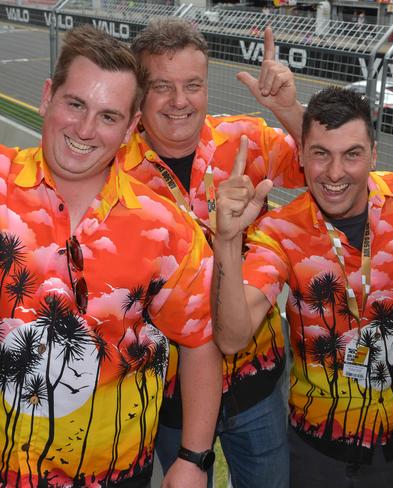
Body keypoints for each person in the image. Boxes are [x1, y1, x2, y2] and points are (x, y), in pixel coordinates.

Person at [212, 86, 393, 487]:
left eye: (352, 154)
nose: (334, 173)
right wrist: (226, 242)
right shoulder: (279, 232)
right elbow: (232, 336)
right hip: (318, 445)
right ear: (301, 156)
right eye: (320, 154)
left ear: (374, 155)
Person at [0, 25, 221, 487]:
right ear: (47, 97)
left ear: (129, 128)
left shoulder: (166, 229)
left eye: (108, 116)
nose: (84, 130)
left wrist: (193, 459)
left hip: (118, 476)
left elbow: (199, 342)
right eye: (75, 104)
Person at [123, 18, 304, 488]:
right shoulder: (113, 170)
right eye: (162, 86)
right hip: (169, 395)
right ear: (139, 94)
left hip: (258, 378)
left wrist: (288, 110)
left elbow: (324, 165)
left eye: (192, 85)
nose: (179, 101)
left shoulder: (243, 138)